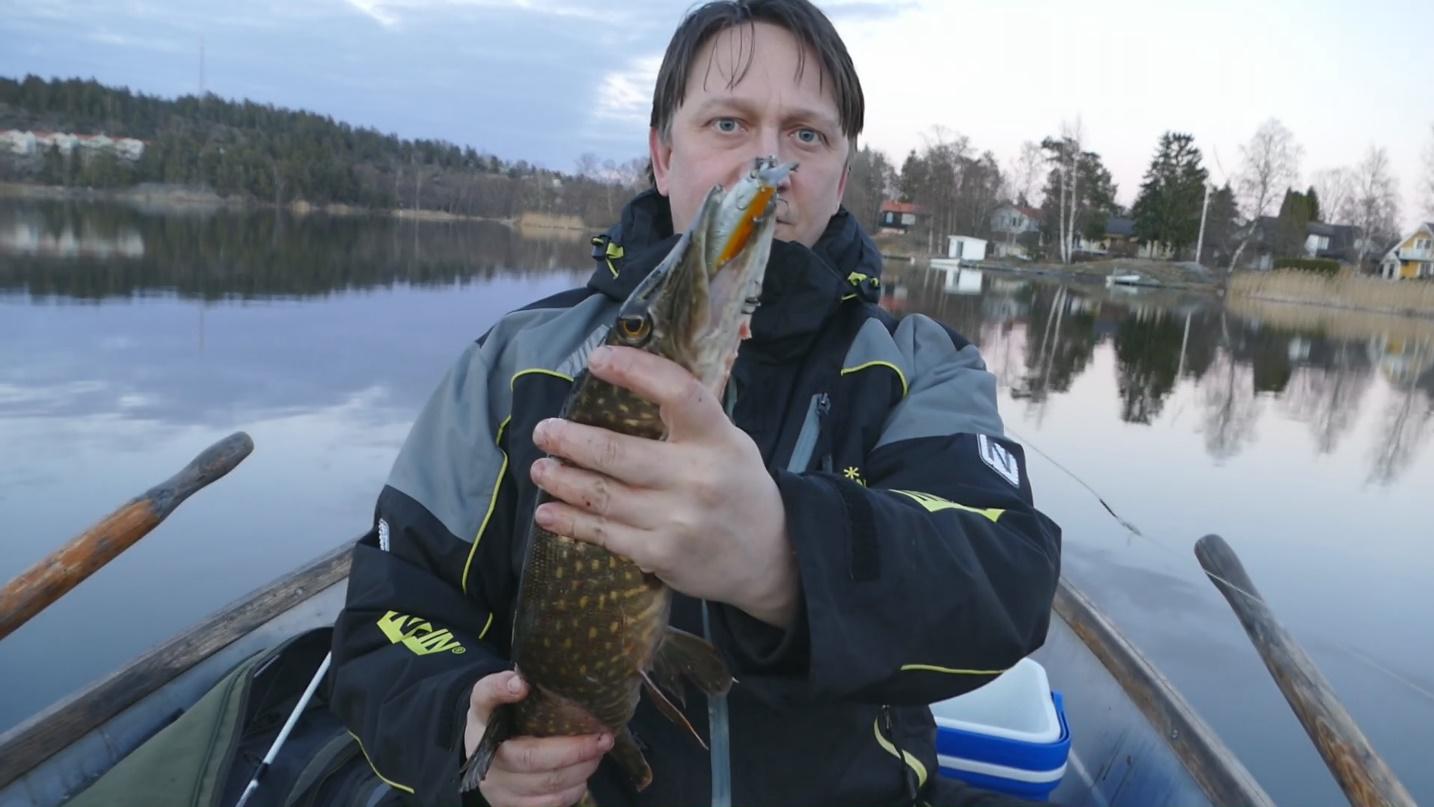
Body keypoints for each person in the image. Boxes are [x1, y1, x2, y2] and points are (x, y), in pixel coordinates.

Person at [329, 2, 1062, 806]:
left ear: (840, 178)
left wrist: (785, 555)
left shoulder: (919, 367)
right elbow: (388, 619)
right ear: (662, 154)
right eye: (728, 122)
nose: (767, 160)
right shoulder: (515, 365)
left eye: (806, 135)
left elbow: (1005, 578)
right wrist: (467, 733)